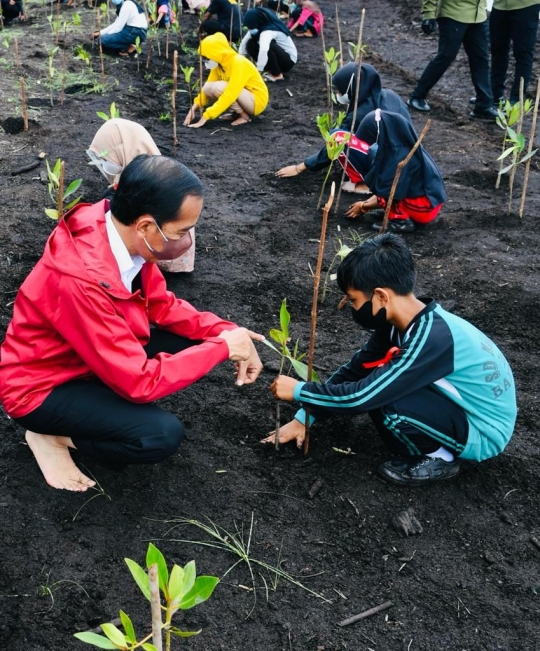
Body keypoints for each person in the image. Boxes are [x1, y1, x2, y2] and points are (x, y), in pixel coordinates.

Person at [0, 155, 264, 492]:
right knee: (159, 436)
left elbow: (161, 305)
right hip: (42, 387)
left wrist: (223, 331)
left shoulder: (123, 238)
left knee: (199, 342)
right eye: (181, 230)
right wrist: (223, 349)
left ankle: (80, 416)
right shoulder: (81, 279)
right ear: (145, 226)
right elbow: (139, 384)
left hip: (88, 359)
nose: (187, 238)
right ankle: (51, 436)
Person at [264, 234, 517, 487]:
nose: (350, 307)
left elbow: (361, 397)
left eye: (353, 300)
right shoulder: (402, 322)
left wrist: (300, 391)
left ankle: (439, 458)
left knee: (388, 402)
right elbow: (355, 370)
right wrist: (304, 418)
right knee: (380, 380)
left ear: (381, 297)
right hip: (463, 410)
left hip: (483, 432)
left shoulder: (432, 338)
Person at [87, 118, 196, 272]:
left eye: (106, 157)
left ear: (121, 151)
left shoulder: (134, 191)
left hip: (154, 258)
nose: (105, 163)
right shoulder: (164, 174)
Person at [276, 63, 410, 185]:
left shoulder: (361, 114)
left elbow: (335, 145)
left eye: (340, 90)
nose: (338, 93)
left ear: (351, 88)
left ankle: (364, 184)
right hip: (409, 160)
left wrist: (300, 167)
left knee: (337, 136)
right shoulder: (390, 95)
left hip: (388, 167)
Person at [344, 110, 446, 233]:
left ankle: (400, 221)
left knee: (386, 188)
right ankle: (397, 212)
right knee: (383, 186)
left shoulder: (398, 157)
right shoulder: (403, 146)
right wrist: (365, 204)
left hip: (424, 209)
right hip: (429, 203)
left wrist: (364, 206)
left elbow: (389, 192)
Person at [408, 0, 497, 120]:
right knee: (446, 56)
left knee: (481, 58)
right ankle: (417, 96)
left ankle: (484, 105)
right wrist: (429, 14)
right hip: (454, 14)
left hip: (479, 16)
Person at [183, 33, 269, 128]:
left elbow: (230, 93)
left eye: (207, 57)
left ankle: (244, 116)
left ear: (216, 53)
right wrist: (193, 108)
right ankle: (235, 114)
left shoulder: (238, 63)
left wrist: (205, 116)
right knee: (208, 87)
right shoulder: (219, 64)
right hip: (244, 96)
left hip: (256, 101)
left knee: (220, 87)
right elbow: (205, 90)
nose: (206, 61)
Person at [490, 0, 540, 105]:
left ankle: (516, 98)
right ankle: (495, 94)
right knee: (497, 51)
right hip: (499, 6)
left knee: (523, 53)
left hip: (526, 6)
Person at [239, 7, 297, 83]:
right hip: (280, 57)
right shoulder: (259, 27)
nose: (250, 29)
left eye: (251, 26)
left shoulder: (268, 31)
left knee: (267, 46)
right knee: (250, 43)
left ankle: (277, 75)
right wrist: (239, 60)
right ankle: (271, 69)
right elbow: (244, 42)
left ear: (257, 21)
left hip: (288, 61)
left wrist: (258, 71)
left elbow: (264, 50)